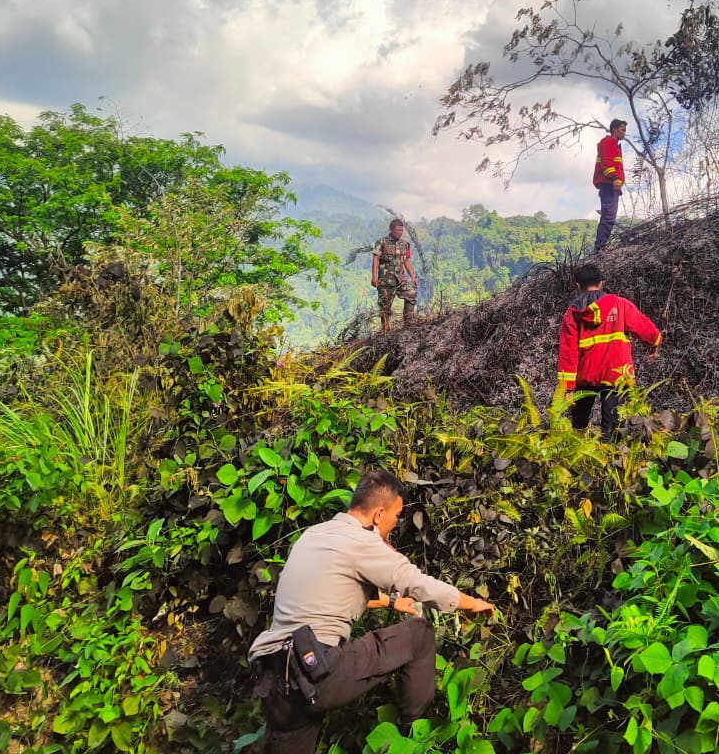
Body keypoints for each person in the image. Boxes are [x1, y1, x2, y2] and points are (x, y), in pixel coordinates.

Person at [248, 469, 495, 753]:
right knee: (419, 635)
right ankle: (414, 735)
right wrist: (472, 603)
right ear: (378, 514)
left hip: (274, 680)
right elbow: (416, 583)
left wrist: (390, 602)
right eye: (396, 515)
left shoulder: (313, 535)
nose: (394, 522)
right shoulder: (362, 542)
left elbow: (327, 598)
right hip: (316, 671)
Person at [555, 262, 661, 436]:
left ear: (577, 286)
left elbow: (568, 352)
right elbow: (644, 328)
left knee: (578, 427)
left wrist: (567, 387)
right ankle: (609, 459)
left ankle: (579, 458)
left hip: (584, 376)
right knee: (612, 428)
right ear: (601, 283)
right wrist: (654, 342)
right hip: (616, 375)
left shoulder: (572, 314)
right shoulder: (620, 304)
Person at [371, 219, 418, 332]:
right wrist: (374, 277)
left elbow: (406, 261)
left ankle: (408, 324)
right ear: (391, 230)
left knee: (411, 294)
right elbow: (376, 259)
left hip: (400, 279)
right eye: (398, 230)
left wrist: (412, 276)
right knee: (385, 307)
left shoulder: (405, 245)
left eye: (401, 230)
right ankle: (385, 330)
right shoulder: (381, 242)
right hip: (386, 280)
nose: (400, 232)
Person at [592, 118, 626, 251]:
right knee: (609, 217)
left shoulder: (614, 144)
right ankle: (600, 249)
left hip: (611, 185)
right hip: (609, 185)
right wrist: (615, 178)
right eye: (622, 130)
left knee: (609, 216)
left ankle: (600, 248)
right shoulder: (609, 142)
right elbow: (606, 164)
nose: (624, 133)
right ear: (614, 129)